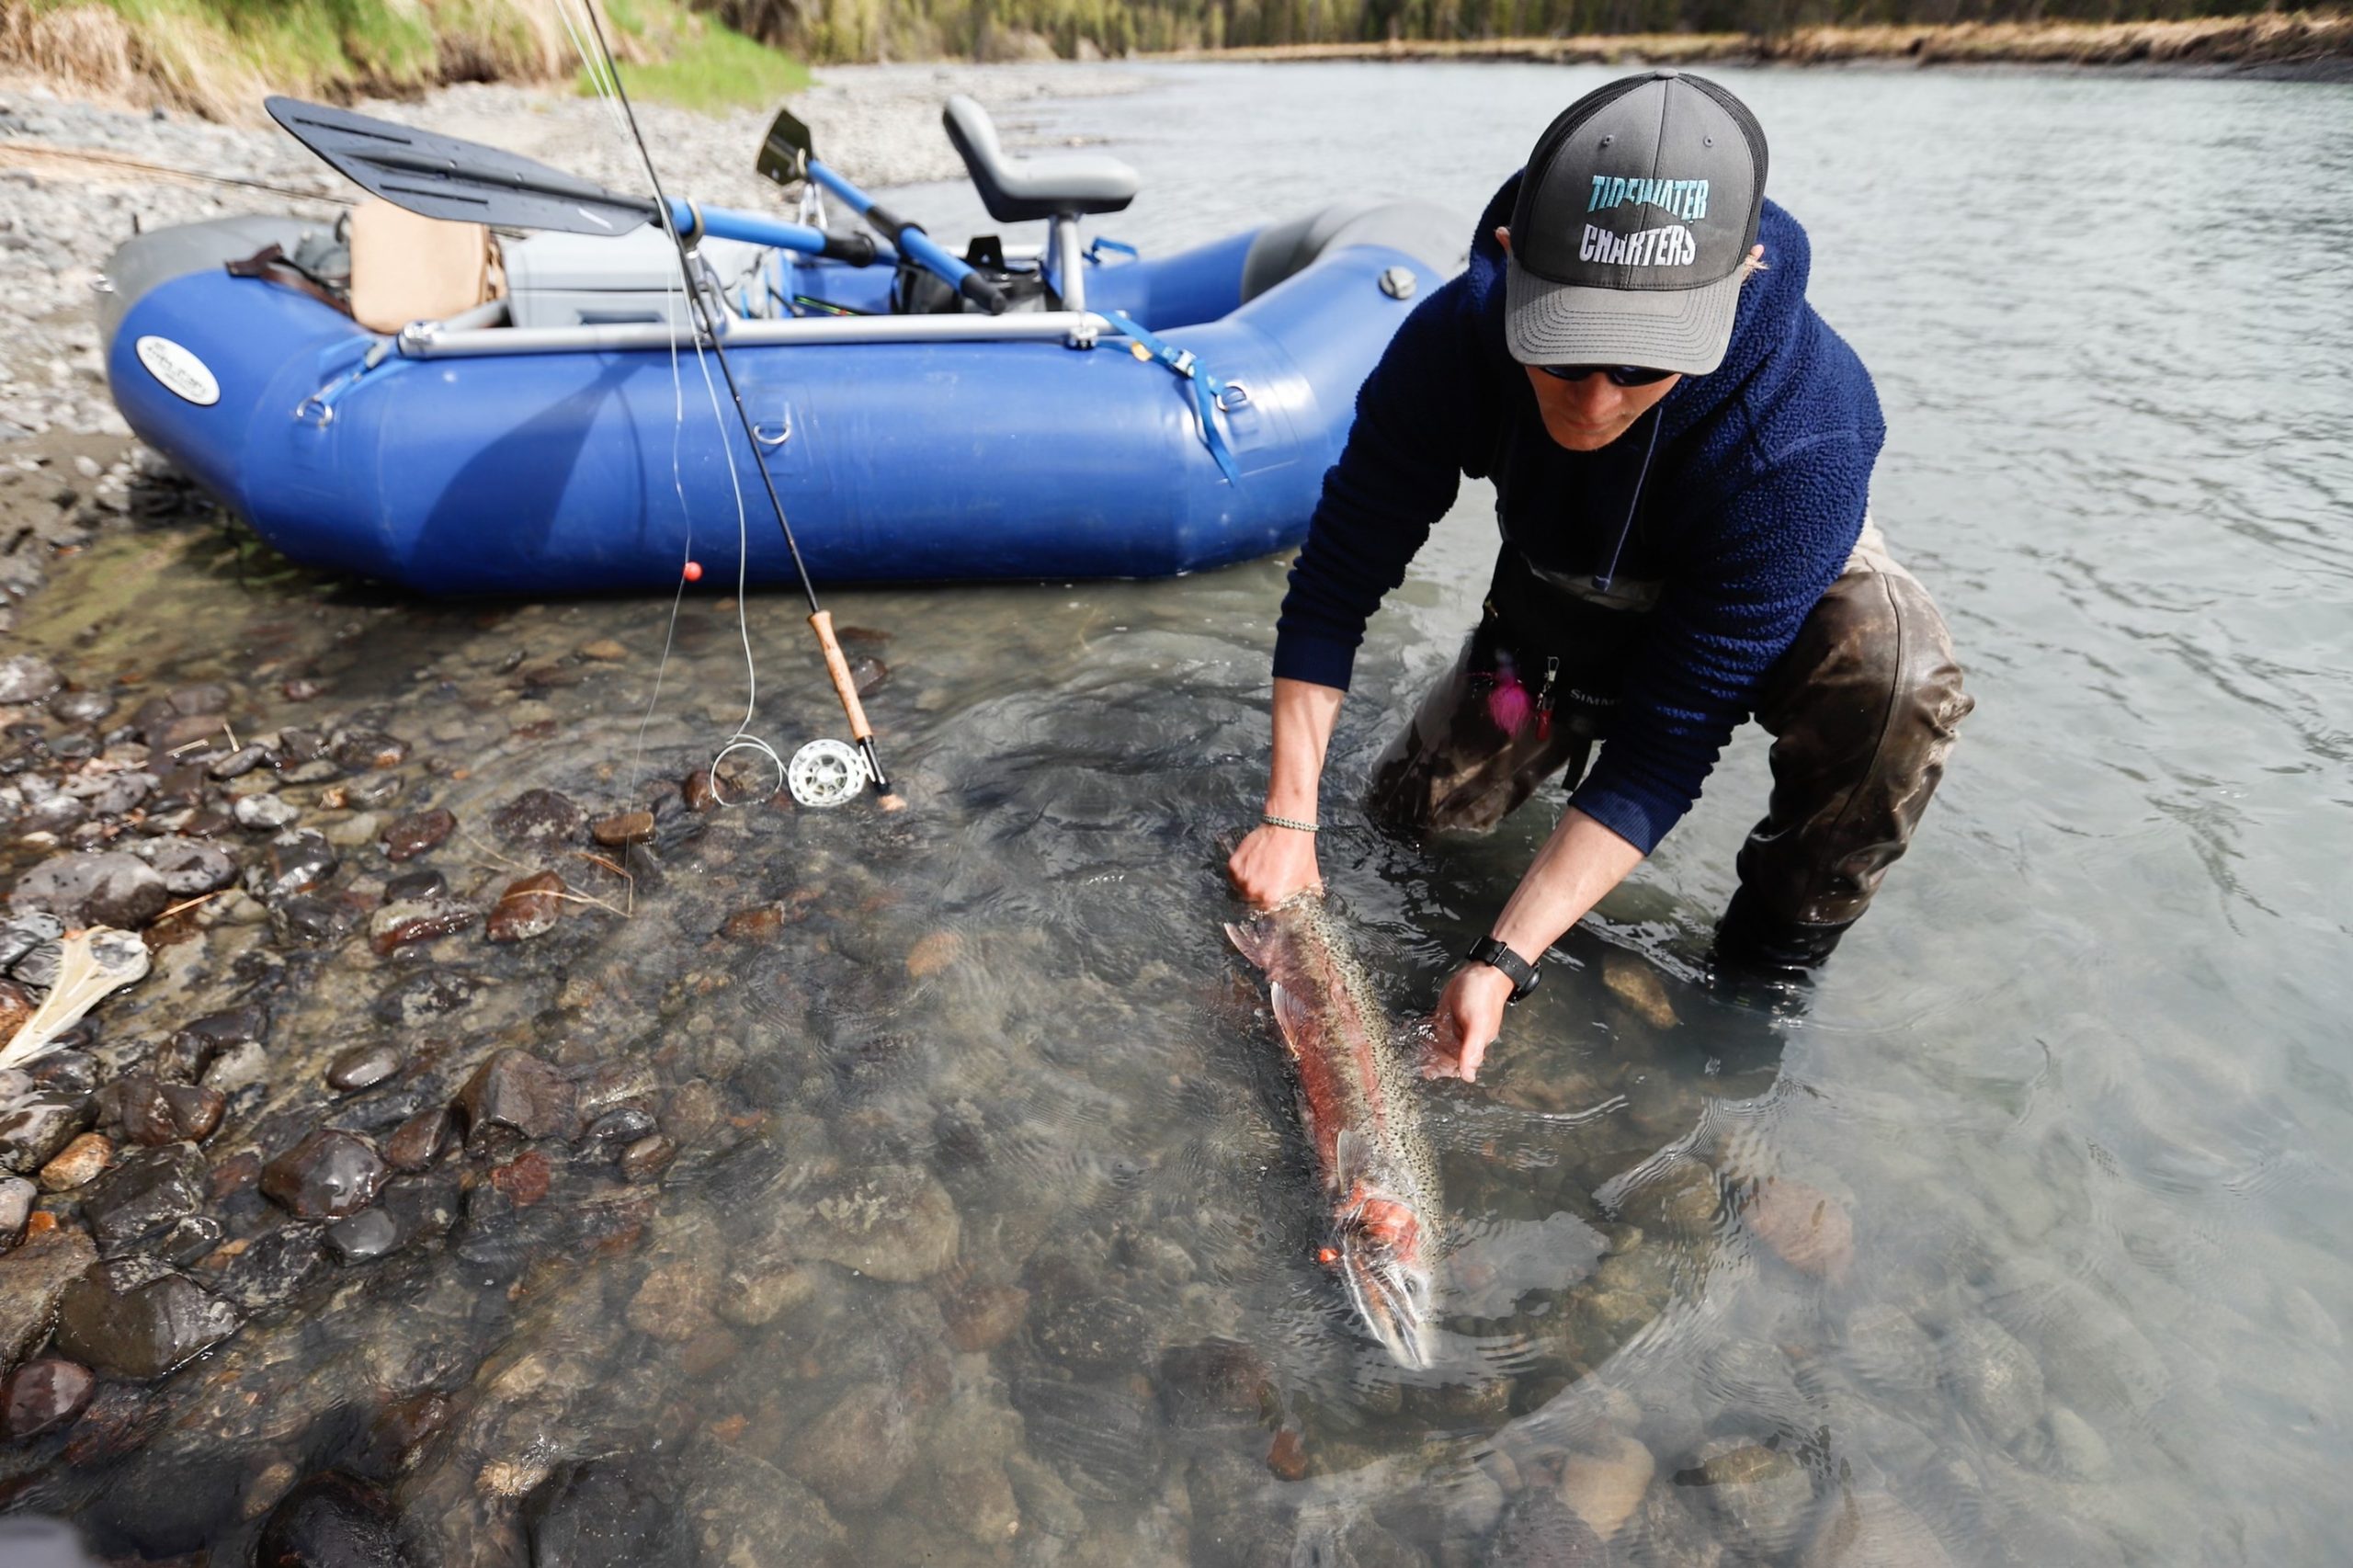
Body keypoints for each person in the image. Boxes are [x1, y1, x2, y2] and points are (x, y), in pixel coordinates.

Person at [1227, 70, 1973, 1083]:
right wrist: (1287, 819)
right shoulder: (1451, 343)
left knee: (1896, 676)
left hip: (1759, 571)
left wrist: (1503, 960)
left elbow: (1668, 746)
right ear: (1510, 261)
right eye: (1563, 354)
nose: (1593, 404)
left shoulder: (1803, 435)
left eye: (1640, 367)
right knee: (1402, 829)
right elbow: (1335, 582)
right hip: (1563, 589)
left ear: (1741, 281)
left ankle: (1757, 985)